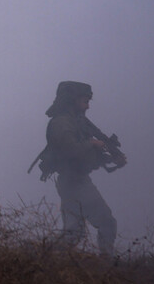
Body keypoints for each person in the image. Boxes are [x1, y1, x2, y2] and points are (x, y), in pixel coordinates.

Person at [42, 81, 127, 255]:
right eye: (84, 101)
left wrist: (112, 158)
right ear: (72, 100)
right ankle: (106, 267)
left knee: (73, 233)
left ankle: (41, 256)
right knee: (106, 222)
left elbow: (86, 155)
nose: (88, 106)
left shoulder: (77, 122)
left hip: (74, 180)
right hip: (73, 181)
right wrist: (92, 143)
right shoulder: (61, 123)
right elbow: (71, 150)